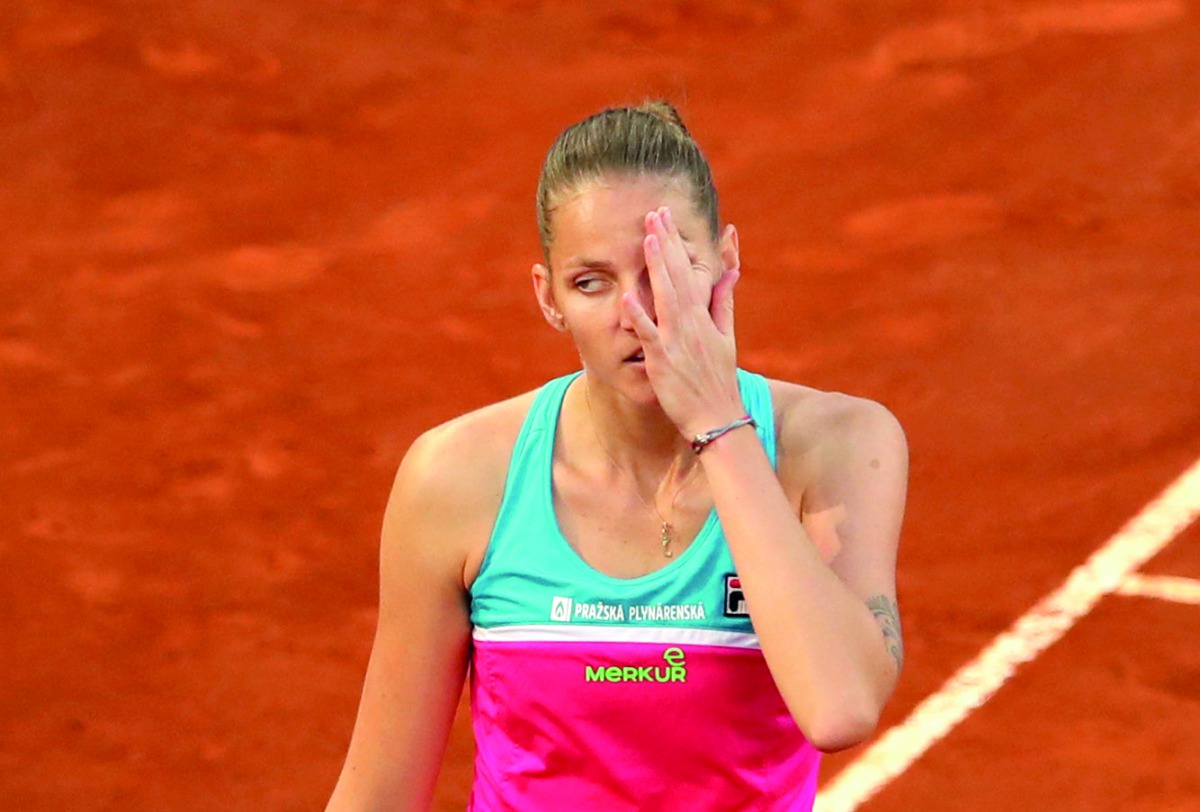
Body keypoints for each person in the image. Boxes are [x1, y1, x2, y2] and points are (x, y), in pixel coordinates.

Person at [325, 101, 908, 812]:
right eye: (591, 282)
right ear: (548, 300)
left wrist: (719, 424)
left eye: (664, 269)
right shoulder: (457, 478)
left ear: (725, 262)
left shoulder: (836, 445)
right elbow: (379, 796)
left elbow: (840, 706)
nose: (634, 313)